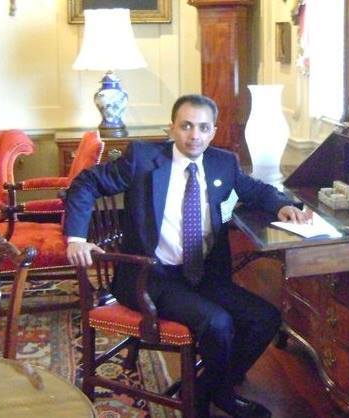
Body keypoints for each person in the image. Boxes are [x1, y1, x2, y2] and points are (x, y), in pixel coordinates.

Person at [64, 94, 308, 418]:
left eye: (203, 128)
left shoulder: (224, 163)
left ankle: (208, 386)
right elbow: (86, 183)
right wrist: (76, 239)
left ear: (213, 131)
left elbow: (257, 190)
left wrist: (282, 206)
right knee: (217, 323)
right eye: (186, 126)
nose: (195, 135)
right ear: (172, 128)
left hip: (203, 274)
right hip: (150, 276)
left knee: (265, 318)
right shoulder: (142, 159)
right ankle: (215, 398)